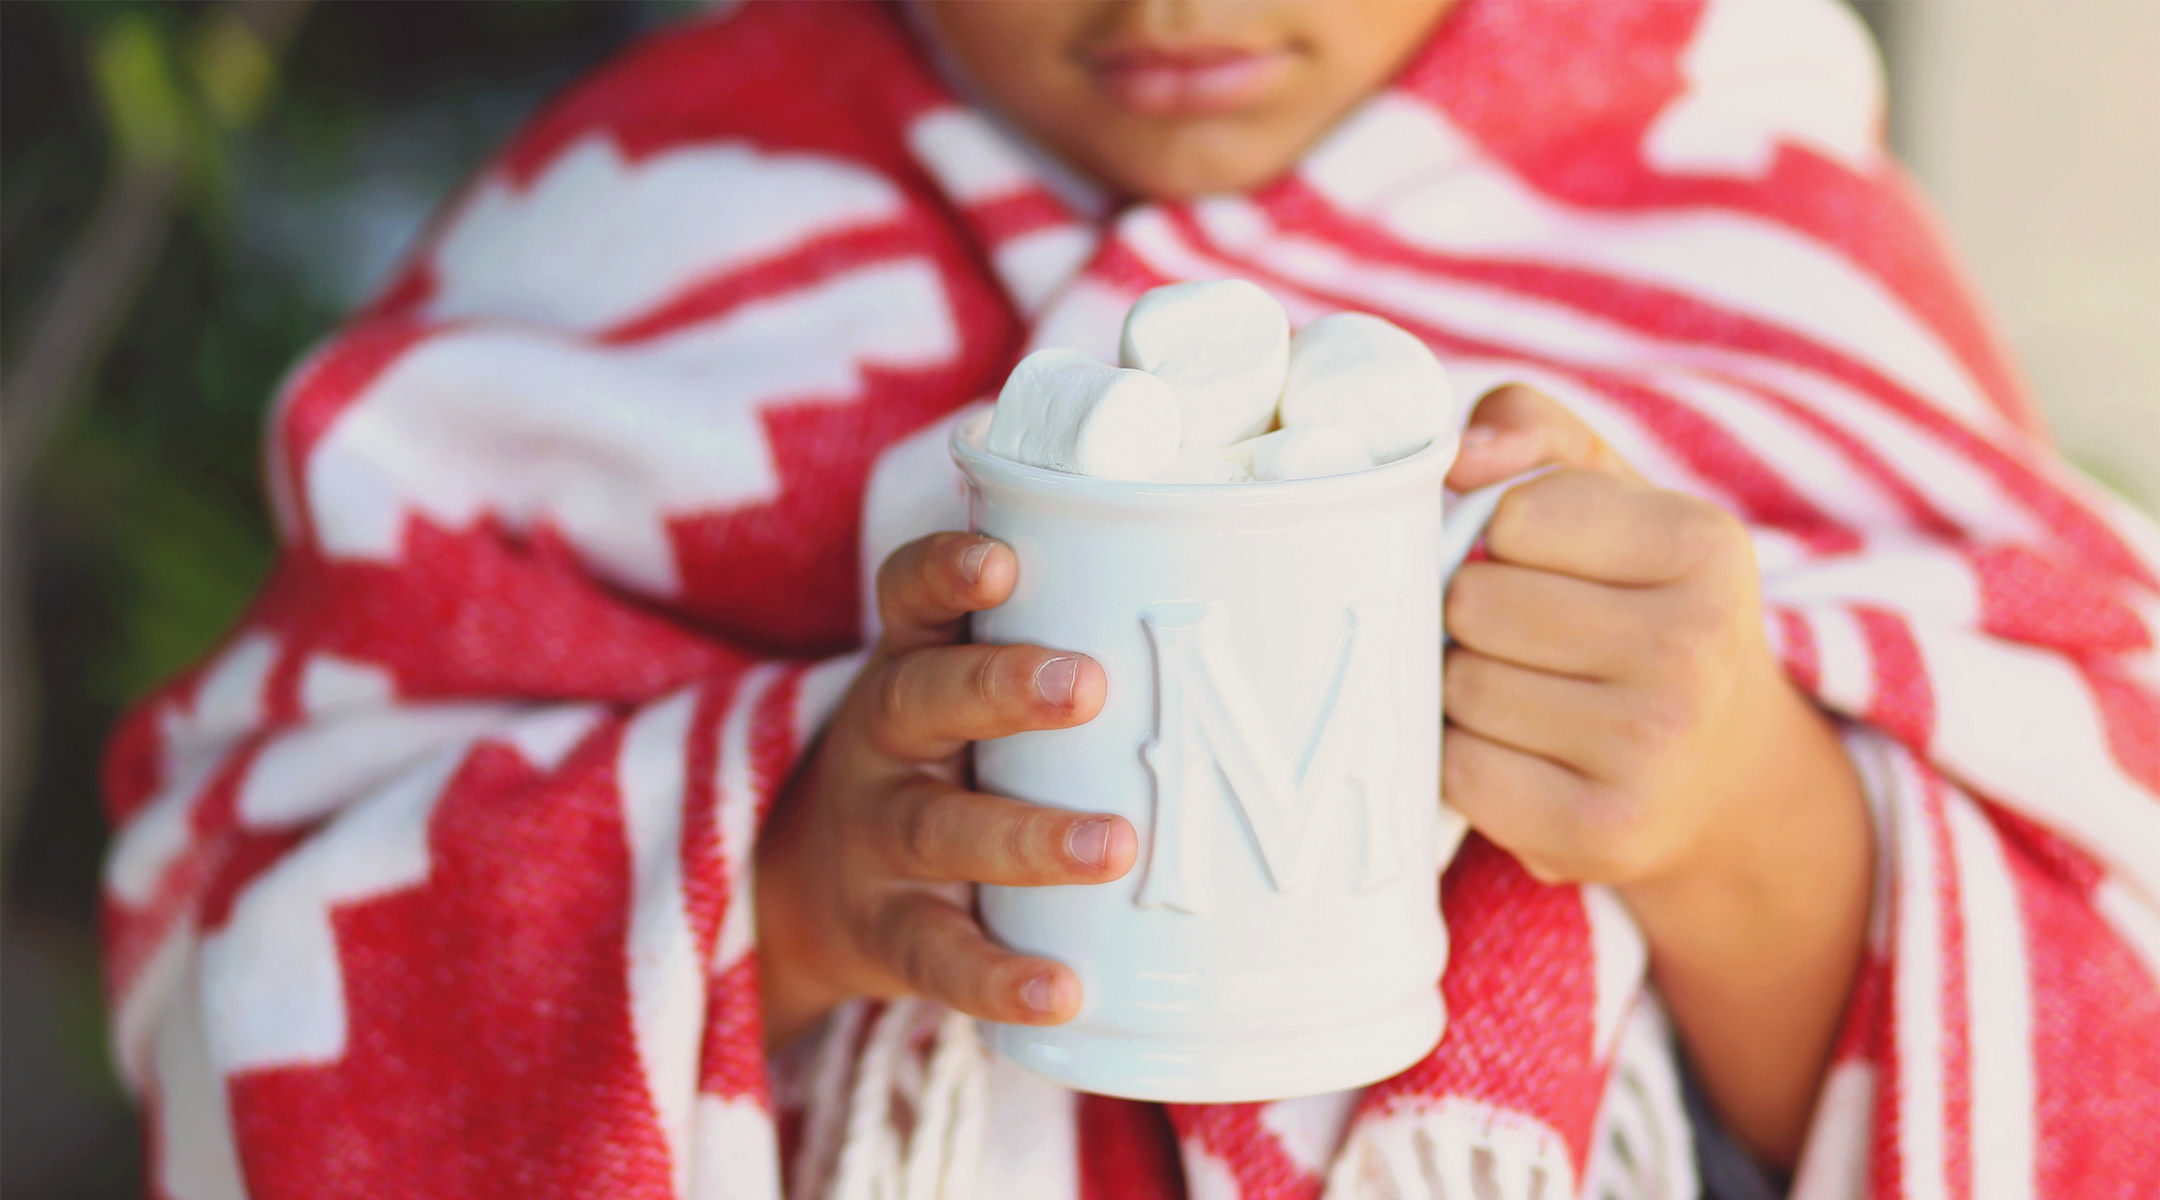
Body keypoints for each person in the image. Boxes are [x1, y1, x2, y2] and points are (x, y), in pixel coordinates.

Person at [99, 1, 2159, 1198]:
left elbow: (2104, 1074)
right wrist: (793, 881)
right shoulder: (640, 231)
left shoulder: (1737, 206)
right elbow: (246, 967)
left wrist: (1753, 815)